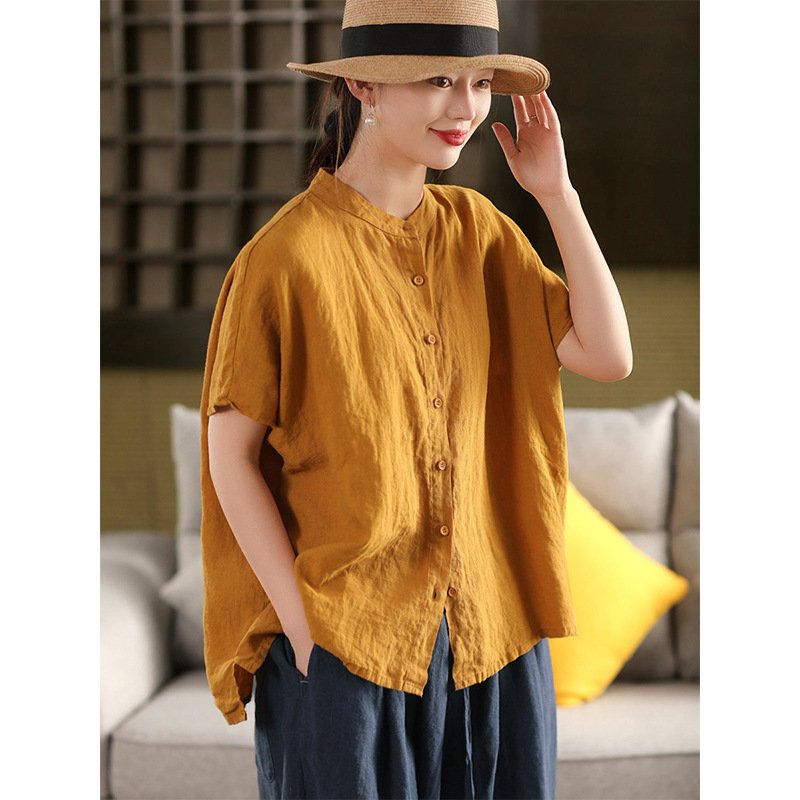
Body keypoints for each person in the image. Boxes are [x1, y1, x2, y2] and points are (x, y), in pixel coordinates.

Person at [200, 1, 633, 798]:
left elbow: (608, 355)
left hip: (492, 636)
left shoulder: (482, 231)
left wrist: (557, 195)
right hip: (347, 643)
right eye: (438, 80)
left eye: (479, 82)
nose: (466, 107)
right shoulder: (284, 259)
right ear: (363, 86)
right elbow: (230, 457)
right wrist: (303, 631)